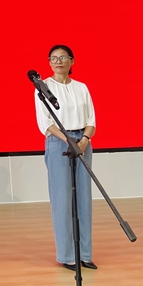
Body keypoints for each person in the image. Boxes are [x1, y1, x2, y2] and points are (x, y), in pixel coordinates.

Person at [34, 44, 97, 271]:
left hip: (83, 141)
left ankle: (85, 254)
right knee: (62, 199)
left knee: (83, 198)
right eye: (53, 58)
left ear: (72, 61)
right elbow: (46, 123)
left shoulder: (81, 87)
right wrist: (68, 139)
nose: (58, 61)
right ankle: (68, 256)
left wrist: (84, 140)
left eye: (62, 57)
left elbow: (91, 119)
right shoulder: (43, 88)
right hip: (59, 142)